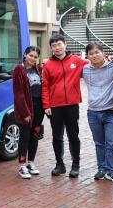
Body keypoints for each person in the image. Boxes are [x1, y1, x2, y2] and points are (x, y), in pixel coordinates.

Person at [42, 34, 88, 178]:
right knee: (57, 137)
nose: (57, 47)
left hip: (71, 105)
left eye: (59, 44)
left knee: (73, 136)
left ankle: (75, 165)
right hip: (54, 107)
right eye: (54, 45)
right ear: (51, 48)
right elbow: (45, 86)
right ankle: (59, 164)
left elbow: (95, 59)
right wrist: (46, 105)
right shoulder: (48, 64)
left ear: (65, 44)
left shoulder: (76, 60)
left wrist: (109, 57)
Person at [83, 42, 113, 184]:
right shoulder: (85, 69)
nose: (94, 55)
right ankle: (102, 169)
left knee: (112, 143)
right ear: (87, 56)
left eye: (97, 52)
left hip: (111, 112)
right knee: (99, 143)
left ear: (103, 53)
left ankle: (112, 171)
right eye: (91, 53)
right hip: (93, 113)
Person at [12, 46, 44, 179]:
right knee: (24, 137)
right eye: (30, 55)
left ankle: (31, 162)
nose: (33, 59)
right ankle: (21, 165)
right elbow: (18, 94)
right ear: (25, 55)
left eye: (35, 57)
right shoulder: (19, 69)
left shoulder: (38, 69)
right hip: (26, 109)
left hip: (39, 108)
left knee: (34, 136)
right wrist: (26, 113)